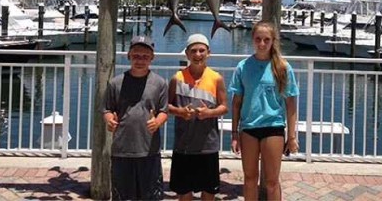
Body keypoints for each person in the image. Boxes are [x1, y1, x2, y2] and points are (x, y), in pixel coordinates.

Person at [229, 21, 299, 201]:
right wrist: (235, 134)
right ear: (253, 39)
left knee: (272, 182)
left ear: (272, 41)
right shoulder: (243, 67)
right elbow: (236, 103)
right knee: (250, 179)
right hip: (249, 128)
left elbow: (291, 104)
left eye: (266, 40)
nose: (262, 44)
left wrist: (291, 137)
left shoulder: (283, 68)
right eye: (258, 39)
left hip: (273, 127)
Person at [102, 35, 168, 201]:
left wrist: (158, 121)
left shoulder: (160, 83)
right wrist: (109, 120)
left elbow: (164, 111)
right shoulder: (115, 83)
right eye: (136, 56)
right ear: (129, 56)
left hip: (149, 150)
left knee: (151, 196)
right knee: (121, 196)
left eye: (145, 57)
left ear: (152, 58)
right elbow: (107, 109)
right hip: (121, 150)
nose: (140, 60)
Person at [168, 33, 228, 201]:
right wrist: (180, 112)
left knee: (208, 192)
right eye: (193, 51)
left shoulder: (216, 78)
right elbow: (166, 106)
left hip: (208, 145)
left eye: (202, 50)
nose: (197, 55)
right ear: (187, 54)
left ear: (209, 53)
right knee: (184, 191)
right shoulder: (177, 78)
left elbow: (224, 107)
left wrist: (209, 113)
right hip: (183, 145)